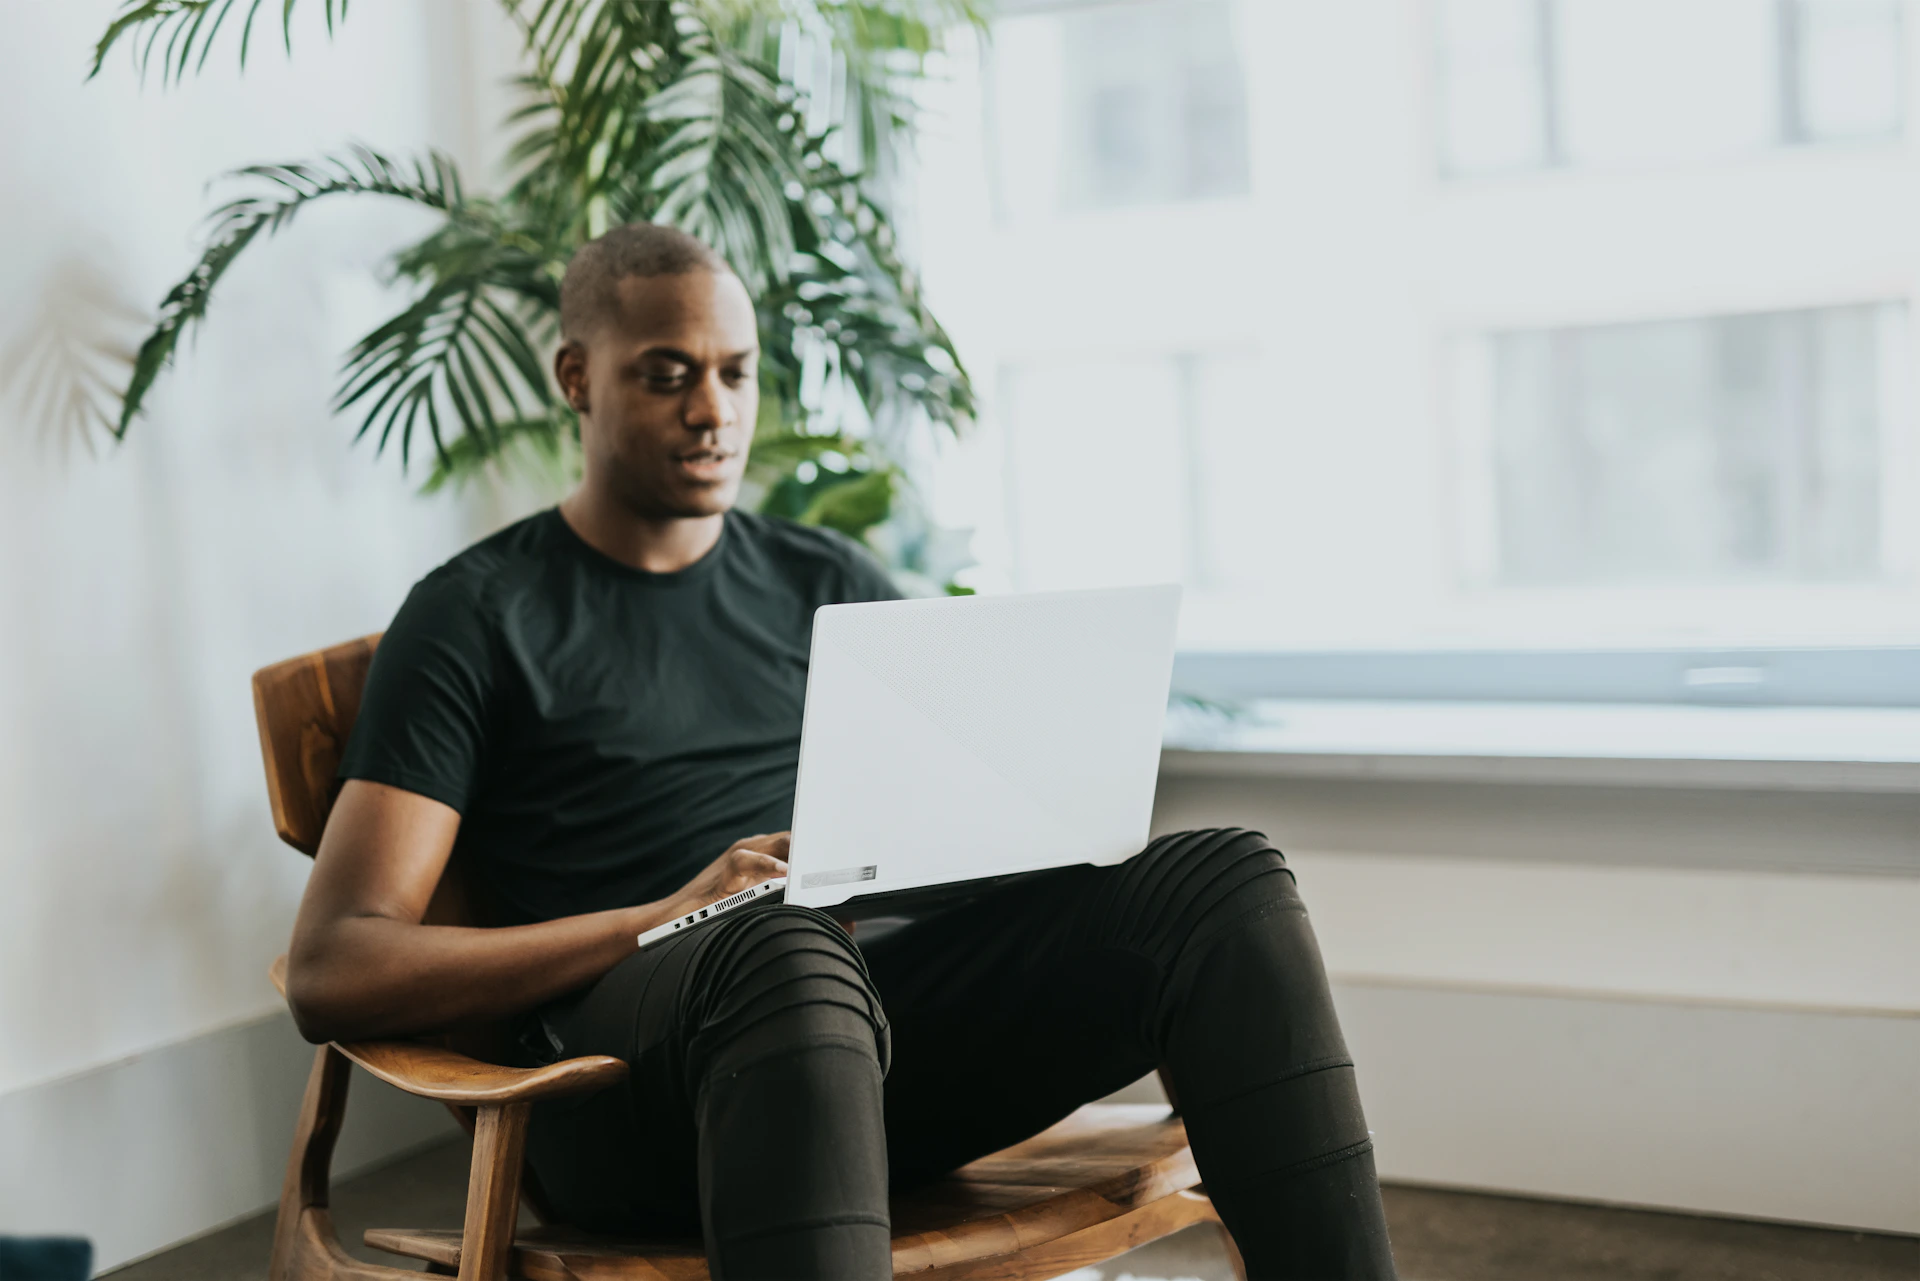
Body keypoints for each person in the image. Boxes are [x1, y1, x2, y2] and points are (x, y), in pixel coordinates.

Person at [285, 222, 1398, 1281]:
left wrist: (1034, 832)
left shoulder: (823, 581)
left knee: (1224, 881)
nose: (713, 410)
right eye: (668, 374)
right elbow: (339, 966)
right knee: (780, 938)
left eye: (737, 372)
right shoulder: (476, 616)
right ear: (577, 377)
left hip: (867, 1046)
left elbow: (965, 810)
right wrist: (665, 915)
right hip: (628, 1096)